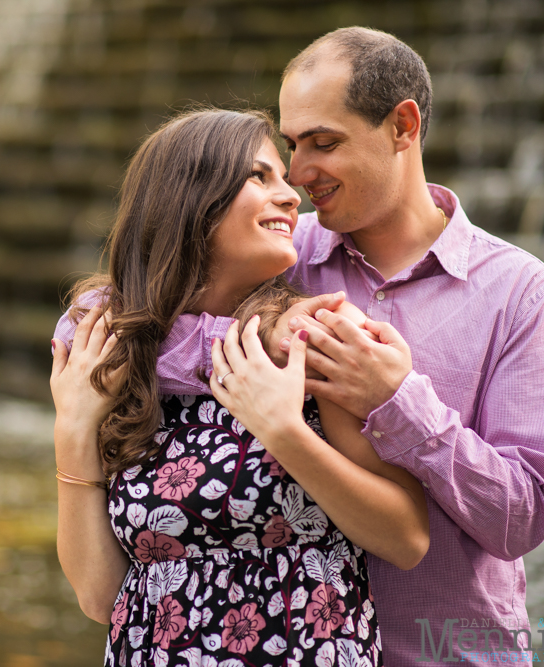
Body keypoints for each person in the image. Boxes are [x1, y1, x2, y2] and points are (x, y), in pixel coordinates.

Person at [151, 28, 544, 663]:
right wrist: (266, 334)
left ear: (403, 126)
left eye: (324, 143)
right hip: (287, 646)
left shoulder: (520, 291)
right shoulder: (281, 249)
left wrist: (398, 402)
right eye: (292, 145)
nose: (296, 174)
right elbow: (103, 316)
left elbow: (521, 520)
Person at [50, 108, 429, 666]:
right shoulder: (111, 354)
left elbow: (406, 538)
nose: (291, 195)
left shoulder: (311, 344)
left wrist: (284, 431)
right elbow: (102, 598)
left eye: (283, 176)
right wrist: (74, 428)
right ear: (191, 199)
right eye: (260, 176)